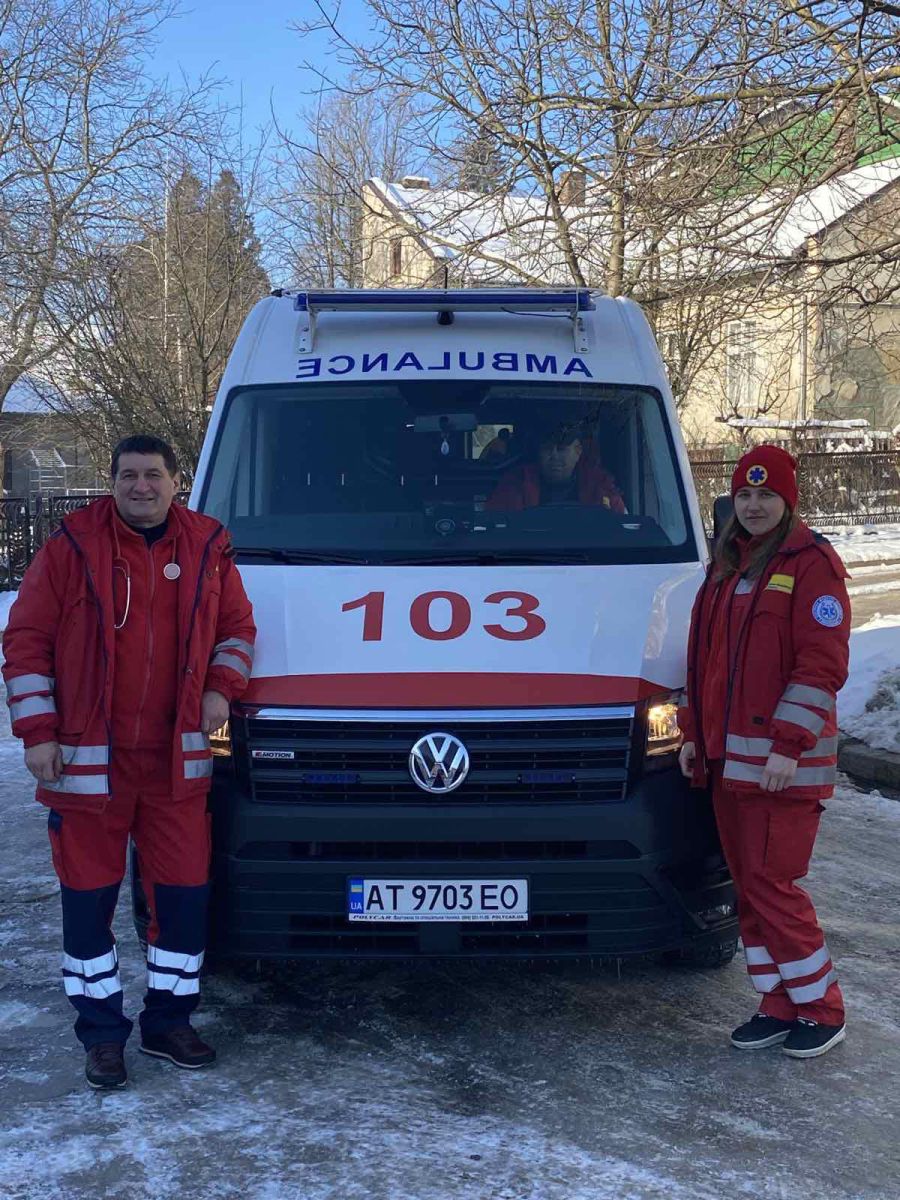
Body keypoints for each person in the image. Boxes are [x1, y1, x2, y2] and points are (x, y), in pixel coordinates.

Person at [2, 434, 256, 1090]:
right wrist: (37, 733)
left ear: (176, 482)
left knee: (184, 899)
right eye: (129, 476)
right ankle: (102, 1035)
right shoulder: (72, 545)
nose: (141, 486)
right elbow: (25, 640)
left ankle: (170, 1023)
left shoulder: (208, 546)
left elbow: (237, 631)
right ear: (112, 482)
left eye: (153, 475)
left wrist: (221, 689)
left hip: (178, 762)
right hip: (87, 765)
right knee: (88, 905)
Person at [678, 445, 850, 1059]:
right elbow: (701, 661)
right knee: (748, 888)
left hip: (782, 767)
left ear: (788, 501)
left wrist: (787, 746)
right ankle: (777, 1002)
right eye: (745, 495)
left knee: (774, 886)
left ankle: (822, 1008)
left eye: (767, 495)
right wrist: (693, 734)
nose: (753, 506)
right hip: (728, 763)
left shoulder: (811, 564)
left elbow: (821, 666)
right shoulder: (728, 565)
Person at [486, 422, 625, 511]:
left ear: (578, 451)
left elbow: (621, 530)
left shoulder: (600, 485)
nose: (554, 456)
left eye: (561, 449)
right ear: (538, 453)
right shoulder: (515, 483)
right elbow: (495, 530)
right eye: (547, 449)